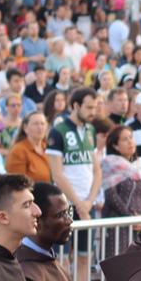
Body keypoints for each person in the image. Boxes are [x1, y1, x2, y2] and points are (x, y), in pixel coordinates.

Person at [48, 87, 101, 221]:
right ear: (76, 106)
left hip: (89, 204)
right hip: (65, 204)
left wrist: (89, 201)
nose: (93, 112)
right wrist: (78, 204)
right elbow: (57, 175)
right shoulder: (58, 131)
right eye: (89, 108)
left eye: (95, 108)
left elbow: (97, 170)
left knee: (87, 242)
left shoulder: (91, 130)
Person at [100, 123, 141, 217]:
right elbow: (111, 195)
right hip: (117, 224)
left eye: (131, 137)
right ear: (115, 146)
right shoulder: (109, 164)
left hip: (140, 223)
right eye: (125, 139)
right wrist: (129, 217)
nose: (130, 142)